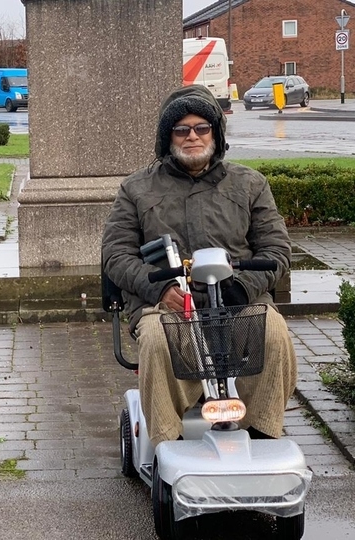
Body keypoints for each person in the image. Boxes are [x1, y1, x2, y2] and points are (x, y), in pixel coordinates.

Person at [101, 84, 297, 446]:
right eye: (182, 130)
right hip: (168, 307)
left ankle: (262, 434)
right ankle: (166, 446)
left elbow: (277, 249)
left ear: (215, 134)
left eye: (201, 128)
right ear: (168, 137)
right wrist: (160, 288)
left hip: (239, 305)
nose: (192, 136)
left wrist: (242, 287)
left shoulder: (250, 184)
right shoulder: (136, 189)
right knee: (159, 340)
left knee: (273, 332)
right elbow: (116, 255)